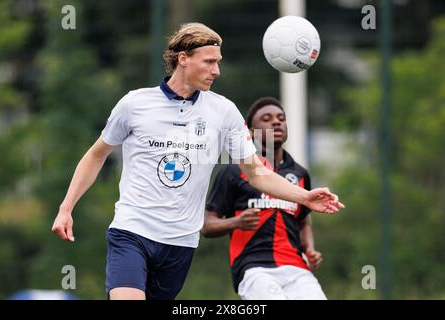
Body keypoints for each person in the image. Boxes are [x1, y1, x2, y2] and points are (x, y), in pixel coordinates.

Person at [51, 23, 344, 300]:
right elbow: (96, 154)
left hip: (180, 243)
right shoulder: (135, 103)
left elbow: (257, 174)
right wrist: (66, 208)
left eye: (218, 62)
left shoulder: (223, 111)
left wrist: (305, 196)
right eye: (209, 62)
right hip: (132, 230)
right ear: (183, 59)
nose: (216, 71)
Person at [202, 97, 328, 300]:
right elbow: (207, 225)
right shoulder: (234, 171)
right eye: (267, 118)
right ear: (251, 131)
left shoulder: (300, 174)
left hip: (296, 267)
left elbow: (304, 221)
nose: (276, 122)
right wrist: (236, 222)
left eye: (281, 118)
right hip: (254, 268)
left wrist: (310, 249)